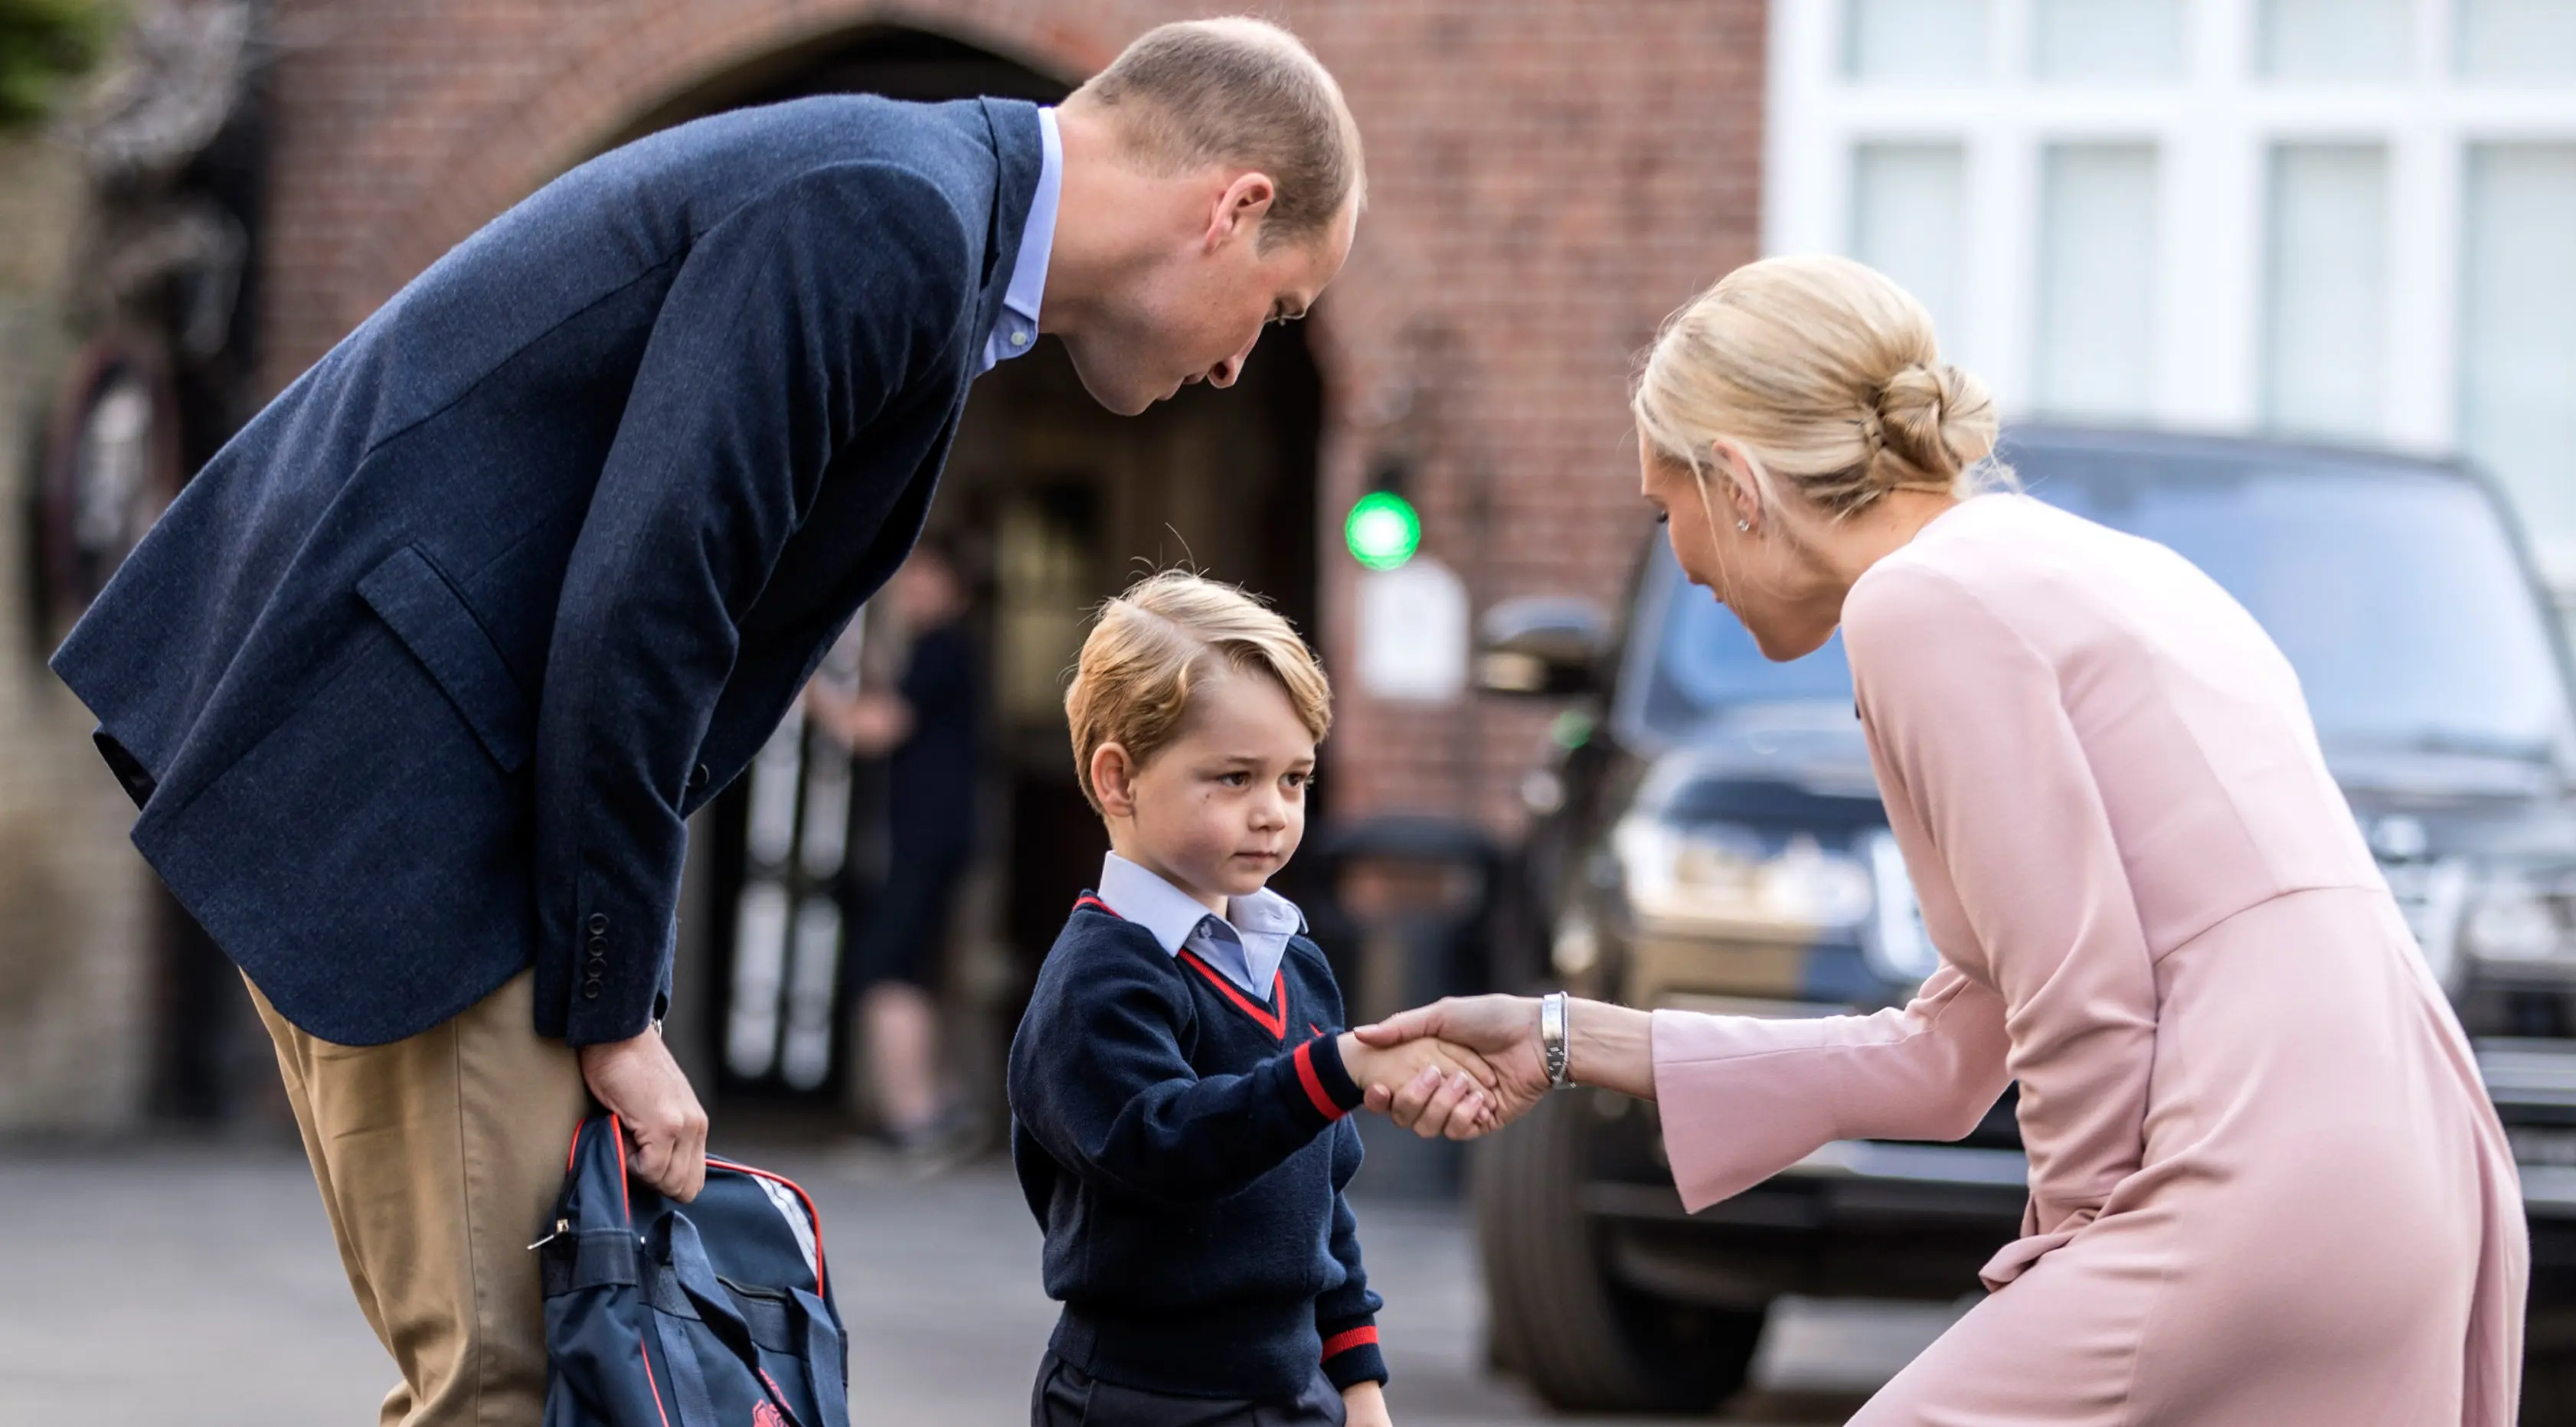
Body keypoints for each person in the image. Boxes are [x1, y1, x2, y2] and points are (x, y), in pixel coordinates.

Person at [47, 18, 1364, 1427]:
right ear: (1232, 210)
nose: (1241, 365)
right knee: (527, 1382)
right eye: (1277, 310)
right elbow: (646, 603)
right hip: (421, 790)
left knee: (543, 1373)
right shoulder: (889, 213)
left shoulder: (912, 203)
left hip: (402, 766)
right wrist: (616, 1003)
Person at [1359, 255, 2529, 1424]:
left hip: (2253, 1181)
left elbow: (2082, 999)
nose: (1686, 560)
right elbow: (1949, 1052)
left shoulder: (1921, 605)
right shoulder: (2096, 568)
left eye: (1668, 513)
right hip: (2409, 1165)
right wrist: (1560, 1037)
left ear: (1738, 483)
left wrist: (2068, 1254)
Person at [1007, 572, 1496, 1427]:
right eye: (1233, 778)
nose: (1272, 812)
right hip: (1142, 1399)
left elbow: (1321, 1209)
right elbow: (1167, 1148)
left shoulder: (1295, 963)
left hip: (1294, 1392)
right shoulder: (1096, 981)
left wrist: (1362, 1391)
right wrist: (1335, 1068)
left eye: (1295, 779)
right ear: (1118, 779)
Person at [804, 540, 982, 1157]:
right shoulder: (936, 650)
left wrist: (802, 689)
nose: (905, 592)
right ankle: (940, 1106)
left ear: (952, 586)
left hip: (924, 837)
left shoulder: (942, 647)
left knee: (884, 968)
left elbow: (873, 729)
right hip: (930, 837)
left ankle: (916, 1120)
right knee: (906, 967)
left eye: (919, 579)